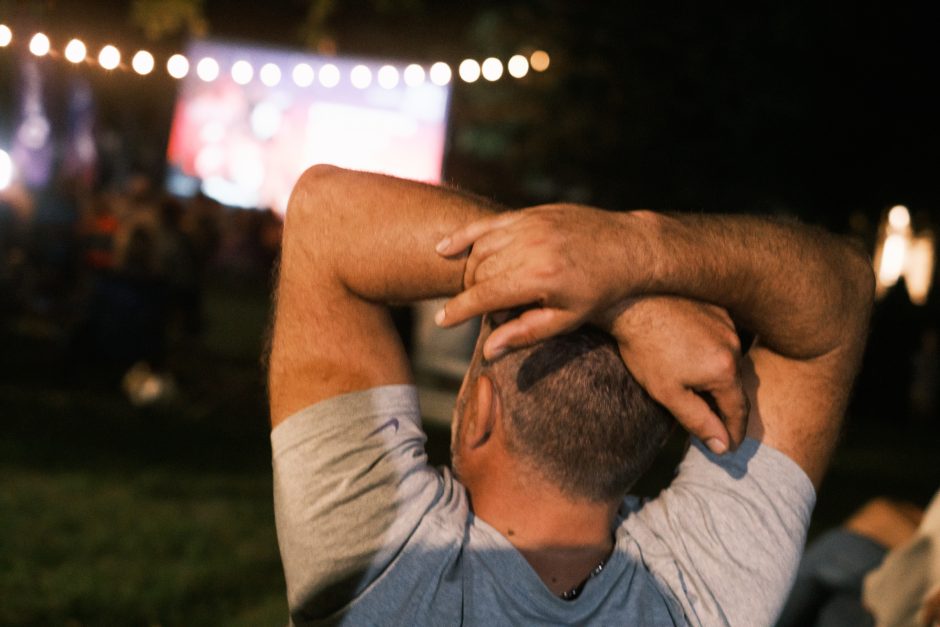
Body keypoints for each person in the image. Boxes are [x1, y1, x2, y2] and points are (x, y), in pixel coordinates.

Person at [267, 165, 873, 625]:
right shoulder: (706, 587)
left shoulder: (389, 565)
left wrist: (619, 300)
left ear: (480, 412)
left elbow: (325, 219)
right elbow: (840, 295)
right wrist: (638, 257)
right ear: (665, 423)